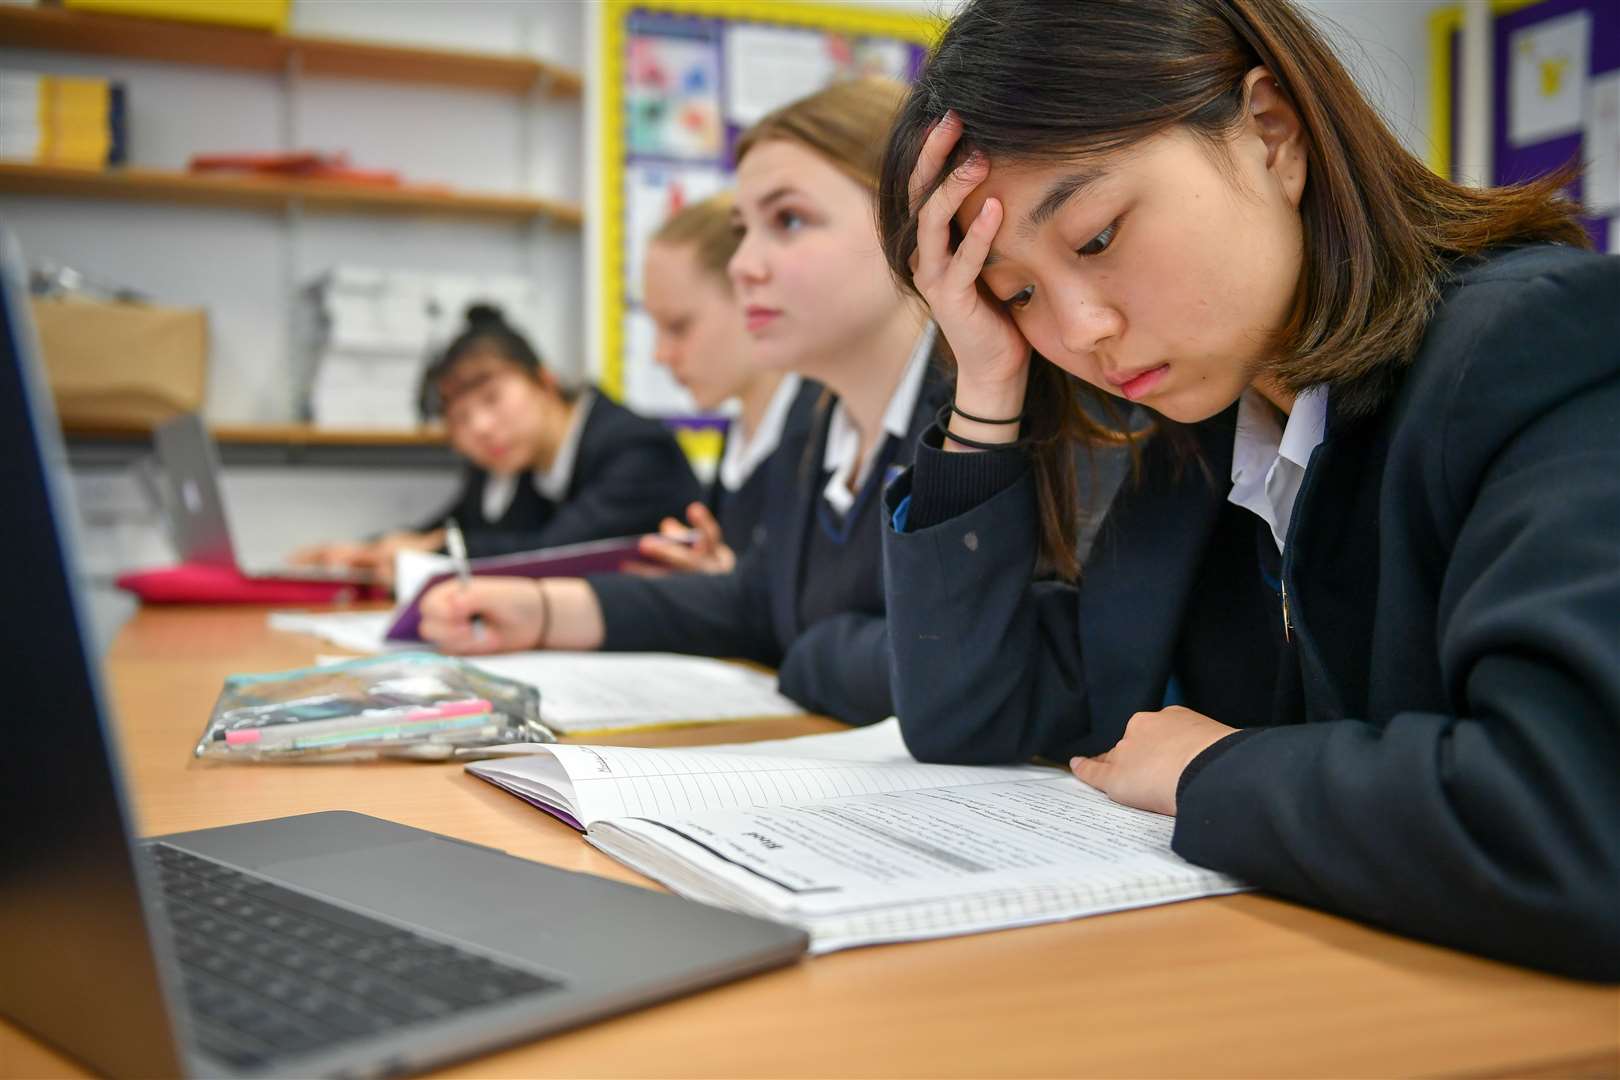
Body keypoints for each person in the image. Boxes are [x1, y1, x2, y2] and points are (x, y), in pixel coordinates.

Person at [875, 0, 1619, 979]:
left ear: (1272, 133)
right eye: (1016, 294)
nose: (1083, 328)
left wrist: (1208, 769)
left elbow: (1574, 821)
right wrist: (985, 381)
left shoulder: (1534, 348)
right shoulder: (1199, 450)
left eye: (1097, 238)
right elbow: (970, 718)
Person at [419, 78, 950, 726]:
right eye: (741, 230)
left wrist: (803, 650)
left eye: (788, 220)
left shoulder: (982, 417)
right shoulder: (819, 428)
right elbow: (755, 604)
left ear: (913, 216)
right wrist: (545, 610)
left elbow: (947, 663)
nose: (743, 266)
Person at [292, 304, 702, 579]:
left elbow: (552, 555)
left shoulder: (636, 450)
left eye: (492, 399)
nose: (482, 428)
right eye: (460, 420)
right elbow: (451, 528)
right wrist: (368, 551)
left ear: (545, 380)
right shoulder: (515, 463)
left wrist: (428, 553)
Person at [637, 193, 820, 573]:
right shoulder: (740, 440)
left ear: (750, 293)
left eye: (678, 326)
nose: (660, 354)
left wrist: (725, 589)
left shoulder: (819, 435)